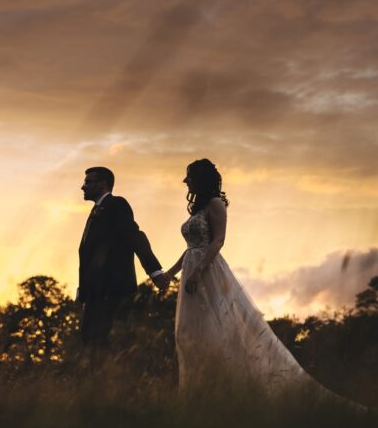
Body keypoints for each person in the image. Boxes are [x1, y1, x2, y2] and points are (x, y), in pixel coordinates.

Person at [164, 159, 349, 400]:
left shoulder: (216, 204)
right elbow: (192, 248)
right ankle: (201, 391)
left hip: (207, 272)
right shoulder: (198, 209)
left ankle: (232, 389)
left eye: (189, 175)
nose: (185, 180)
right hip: (192, 270)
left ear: (201, 178)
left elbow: (218, 241)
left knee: (218, 328)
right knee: (191, 331)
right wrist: (172, 272)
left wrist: (199, 271)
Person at [77, 166, 170, 348]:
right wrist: (83, 291)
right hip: (94, 292)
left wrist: (155, 271)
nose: (83, 187)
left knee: (102, 343)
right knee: (89, 342)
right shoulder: (96, 210)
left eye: (88, 182)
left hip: (110, 290)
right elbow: (88, 256)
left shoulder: (116, 205)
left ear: (103, 184)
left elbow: (135, 236)